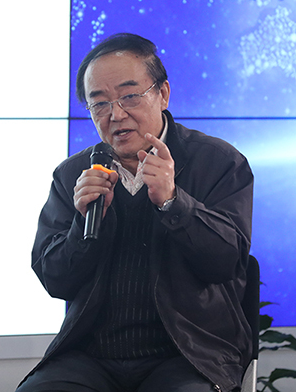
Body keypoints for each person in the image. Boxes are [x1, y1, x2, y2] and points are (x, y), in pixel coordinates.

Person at [16, 33, 253, 392]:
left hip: (188, 354)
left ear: (163, 94)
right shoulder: (73, 175)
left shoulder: (218, 162)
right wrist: (84, 224)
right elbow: (55, 280)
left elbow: (227, 262)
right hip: (89, 357)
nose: (116, 114)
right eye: (99, 103)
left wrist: (174, 202)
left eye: (129, 96)